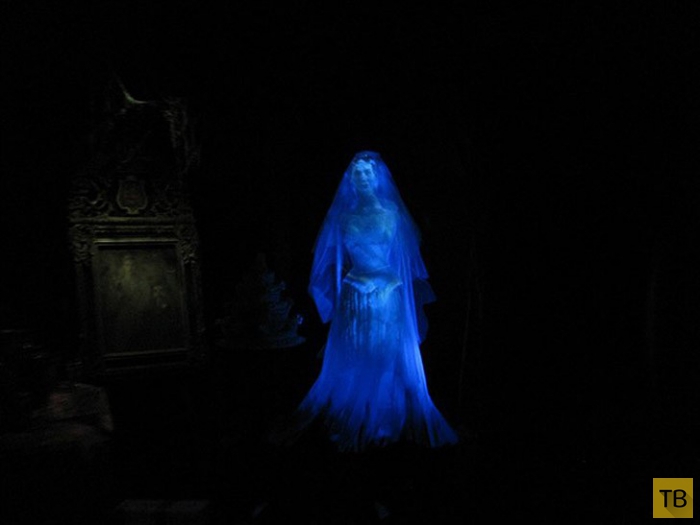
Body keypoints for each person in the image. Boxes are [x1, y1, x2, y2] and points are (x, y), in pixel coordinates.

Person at [274, 150, 458, 452]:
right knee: (356, 352)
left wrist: (385, 284)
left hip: (387, 293)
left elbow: (403, 258)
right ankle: (356, 412)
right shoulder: (343, 218)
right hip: (355, 293)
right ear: (351, 180)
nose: (362, 177)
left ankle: (386, 413)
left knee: (385, 353)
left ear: (376, 177)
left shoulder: (393, 214)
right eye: (357, 173)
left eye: (367, 172)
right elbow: (333, 259)